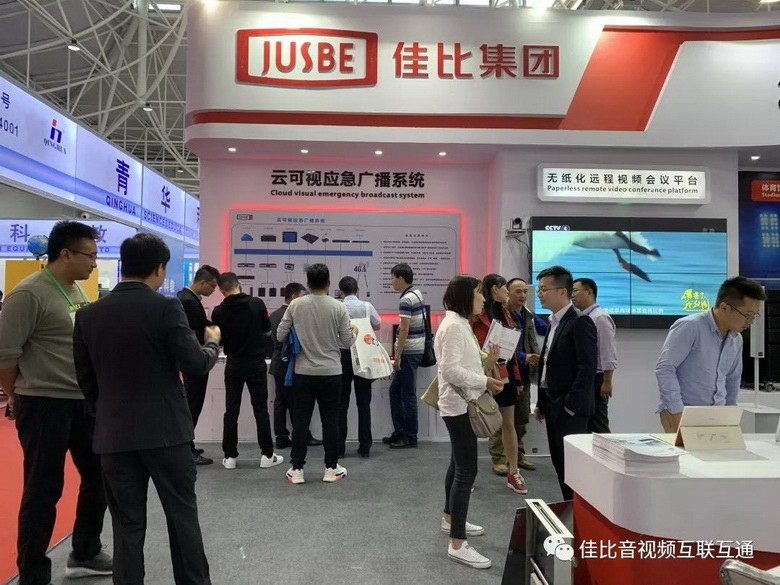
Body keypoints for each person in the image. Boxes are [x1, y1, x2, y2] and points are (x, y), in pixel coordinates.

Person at [73, 233, 220, 585]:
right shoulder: (165, 308)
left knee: (127, 526)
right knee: (182, 518)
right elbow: (195, 365)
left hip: (113, 435)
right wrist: (213, 344)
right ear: (159, 268)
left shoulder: (88, 315)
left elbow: (86, 380)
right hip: (166, 433)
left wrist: (106, 414)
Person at [0, 221, 111, 585]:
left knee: (100, 476)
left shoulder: (74, 289)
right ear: (65, 254)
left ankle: (85, 553)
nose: (94, 263)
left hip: (81, 402)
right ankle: (33, 572)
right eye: (90, 255)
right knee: (44, 489)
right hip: (44, 404)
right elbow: (5, 355)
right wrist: (17, 394)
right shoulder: (28, 294)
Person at [436, 275, 504, 570]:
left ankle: (450, 519)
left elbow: (464, 362)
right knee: (466, 472)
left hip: (460, 404)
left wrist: (488, 360)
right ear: (466, 296)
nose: (484, 299)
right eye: (479, 293)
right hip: (459, 406)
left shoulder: (459, 323)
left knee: (458, 466)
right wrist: (485, 380)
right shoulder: (454, 326)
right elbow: (451, 370)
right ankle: (457, 544)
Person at [277, 264, 356, 484]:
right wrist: (355, 333)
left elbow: (280, 335)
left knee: (300, 421)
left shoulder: (296, 305)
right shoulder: (338, 306)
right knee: (330, 421)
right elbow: (347, 341)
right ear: (329, 283)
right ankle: (331, 468)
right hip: (332, 372)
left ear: (308, 284)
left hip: (303, 372)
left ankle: (297, 469)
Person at [656, 276, 765, 433]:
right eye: (747, 315)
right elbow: (665, 368)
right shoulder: (690, 326)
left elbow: (732, 379)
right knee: (685, 450)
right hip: (683, 410)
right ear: (724, 307)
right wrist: (676, 411)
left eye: (755, 316)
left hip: (717, 414)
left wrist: (730, 416)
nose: (751, 321)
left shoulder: (736, 339)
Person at [534, 265, 597, 501]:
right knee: (560, 464)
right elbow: (548, 364)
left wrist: (571, 404)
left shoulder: (580, 322)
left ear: (562, 291)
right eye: (539, 289)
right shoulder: (553, 321)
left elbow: (587, 367)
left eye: (544, 289)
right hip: (552, 404)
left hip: (570, 409)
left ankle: (579, 513)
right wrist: (541, 401)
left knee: (573, 468)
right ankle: (570, 509)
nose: (539, 294)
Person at [211, 272, 284, 470]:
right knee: (260, 409)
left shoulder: (218, 311)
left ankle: (230, 456)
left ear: (222, 290)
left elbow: (219, 340)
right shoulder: (257, 304)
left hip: (233, 364)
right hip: (255, 363)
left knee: (231, 410)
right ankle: (267, 454)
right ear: (239, 284)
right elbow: (267, 331)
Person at [471, 274, 528, 495]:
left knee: (508, 424)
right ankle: (466, 474)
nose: (508, 293)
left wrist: (517, 378)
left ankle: (513, 472)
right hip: (481, 375)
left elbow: (511, 349)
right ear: (495, 288)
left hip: (505, 374)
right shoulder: (476, 314)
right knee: (472, 425)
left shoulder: (506, 312)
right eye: (506, 288)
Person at [489, 277, 548, 474]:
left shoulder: (528, 314)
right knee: (501, 419)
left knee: (521, 418)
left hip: (524, 374)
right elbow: (498, 346)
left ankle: (517, 455)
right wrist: (524, 357)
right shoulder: (501, 314)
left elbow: (545, 329)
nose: (522, 295)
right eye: (517, 291)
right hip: (505, 373)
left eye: (525, 291)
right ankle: (499, 458)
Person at [269, 282, 322, 450]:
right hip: (291, 363)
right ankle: (303, 435)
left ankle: (281, 436)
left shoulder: (274, 314)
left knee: (280, 401)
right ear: (293, 296)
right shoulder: (293, 314)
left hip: (278, 362)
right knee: (296, 401)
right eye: (302, 295)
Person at [177, 265, 220, 465]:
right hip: (194, 360)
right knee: (193, 404)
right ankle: (187, 449)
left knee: (192, 403)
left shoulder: (186, 298)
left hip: (191, 359)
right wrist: (218, 332)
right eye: (212, 286)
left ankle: (188, 445)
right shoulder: (188, 301)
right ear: (202, 282)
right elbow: (202, 326)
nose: (213, 290)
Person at [338, 276, 381, 458]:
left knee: (341, 404)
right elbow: (377, 325)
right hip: (363, 355)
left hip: (342, 356)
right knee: (364, 403)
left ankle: (339, 448)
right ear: (358, 290)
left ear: (341, 292)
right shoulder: (367, 306)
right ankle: (365, 446)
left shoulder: (337, 306)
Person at [384, 263, 425, 449]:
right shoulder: (416, 293)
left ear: (400, 278)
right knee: (396, 391)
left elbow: (404, 330)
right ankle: (400, 432)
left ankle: (409, 436)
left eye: (392, 278)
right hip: (415, 350)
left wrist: (398, 356)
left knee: (407, 395)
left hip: (409, 351)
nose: (391, 281)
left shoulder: (406, 299)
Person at [572, 278, 617, 434]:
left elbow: (607, 351)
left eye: (575, 291)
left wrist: (607, 381)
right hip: (585, 377)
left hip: (597, 378)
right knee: (586, 423)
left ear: (589, 292)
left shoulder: (600, 317)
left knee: (598, 422)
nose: (572, 295)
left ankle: (607, 449)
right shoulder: (581, 317)